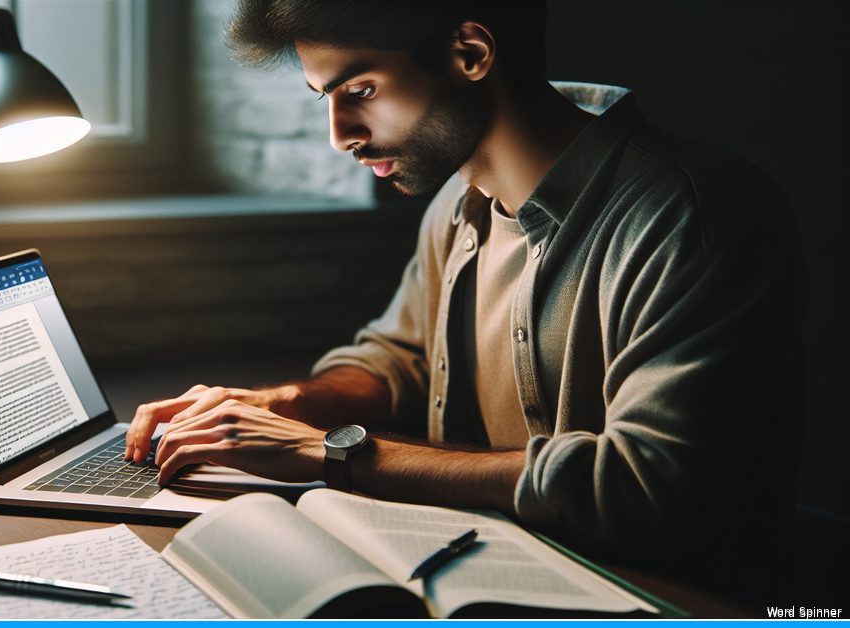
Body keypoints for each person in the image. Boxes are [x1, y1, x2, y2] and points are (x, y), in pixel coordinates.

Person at [126, 0, 804, 603]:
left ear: (470, 53)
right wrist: (281, 408)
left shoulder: (695, 214)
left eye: (359, 89)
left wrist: (330, 451)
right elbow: (402, 358)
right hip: (476, 564)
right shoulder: (459, 199)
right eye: (324, 98)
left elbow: (645, 488)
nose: (340, 134)